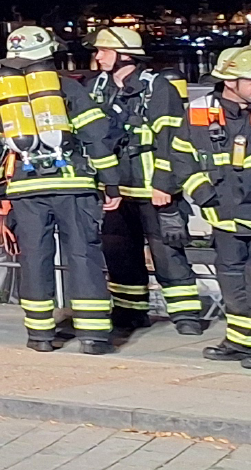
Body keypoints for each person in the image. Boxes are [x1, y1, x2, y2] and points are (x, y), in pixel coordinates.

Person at [0, 25, 123, 352]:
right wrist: (111, 183)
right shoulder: (69, 89)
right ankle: (94, 336)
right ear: (49, 54)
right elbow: (96, 137)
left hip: (26, 189)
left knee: (35, 258)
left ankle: (40, 336)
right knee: (83, 255)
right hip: (74, 184)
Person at [87, 26, 206, 336]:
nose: (97, 56)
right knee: (119, 253)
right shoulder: (96, 87)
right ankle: (129, 312)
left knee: (167, 252)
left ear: (124, 55)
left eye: (104, 51)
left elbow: (171, 140)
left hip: (154, 189)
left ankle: (185, 315)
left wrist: (165, 185)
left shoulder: (158, 89)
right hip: (114, 190)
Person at [174, 48, 251, 362]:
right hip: (225, 216)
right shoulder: (199, 111)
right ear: (231, 81)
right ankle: (240, 341)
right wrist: (206, 197)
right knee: (231, 281)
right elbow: (181, 157)